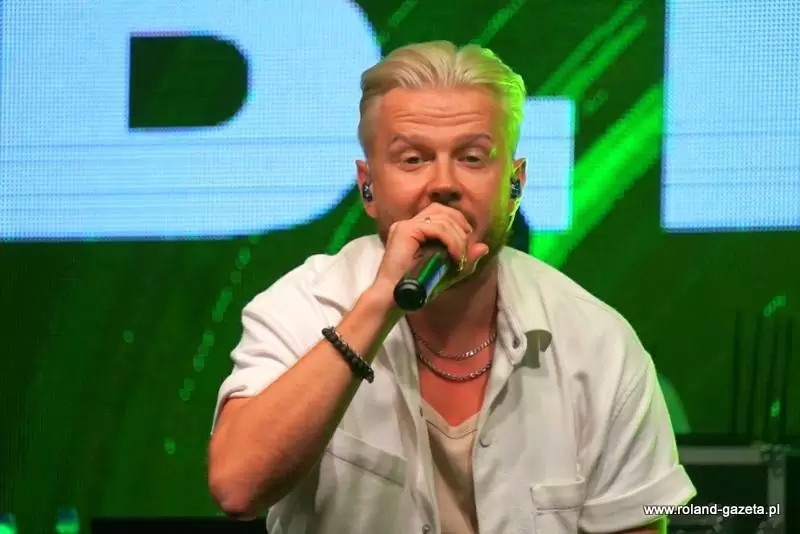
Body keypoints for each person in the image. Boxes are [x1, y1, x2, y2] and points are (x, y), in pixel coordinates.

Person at [207, 41, 696, 534]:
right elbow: (237, 487)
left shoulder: (597, 343)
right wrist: (379, 304)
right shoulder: (301, 307)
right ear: (368, 187)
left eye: (472, 157)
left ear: (514, 186)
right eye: (413, 159)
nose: (443, 183)